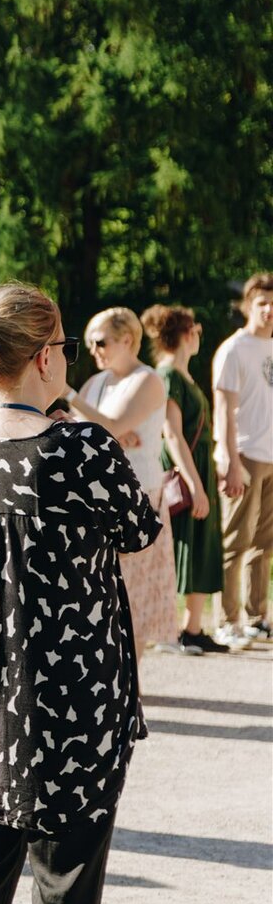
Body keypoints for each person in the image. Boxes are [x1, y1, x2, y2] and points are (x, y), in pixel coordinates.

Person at [0, 283, 161, 904]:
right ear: (43, 358)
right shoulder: (84, 450)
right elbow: (139, 532)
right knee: (66, 880)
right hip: (75, 697)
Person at [65, 307, 180, 653]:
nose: (94, 351)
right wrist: (105, 429)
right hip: (99, 495)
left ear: (127, 339)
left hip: (139, 494)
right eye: (89, 345)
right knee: (105, 589)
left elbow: (107, 425)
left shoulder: (147, 379)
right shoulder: (97, 382)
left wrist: (71, 398)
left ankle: (135, 684)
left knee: (136, 592)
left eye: (100, 342)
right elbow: (86, 428)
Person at [142, 305, 228, 653]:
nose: (199, 335)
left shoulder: (184, 375)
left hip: (199, 466)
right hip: (183, 469)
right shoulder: (168, 376)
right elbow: (172, 434)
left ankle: (193, 628)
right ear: (184, 334)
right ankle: (170, 630)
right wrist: (194, 484)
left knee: (202, 542)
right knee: (181, 544)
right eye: (195, 329)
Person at [212, 272, 273, 645]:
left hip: (271, 455)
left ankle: (256, 617)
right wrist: (230, 460)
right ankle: (227, 620)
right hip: (244, 455)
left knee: (263, 544)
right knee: (235, 541)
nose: (269, 311)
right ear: (248, 306)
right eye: (262, 304)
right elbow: (223, 410)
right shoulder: (233, 349)